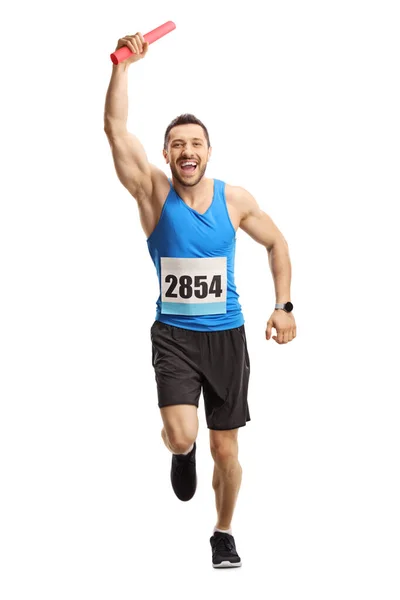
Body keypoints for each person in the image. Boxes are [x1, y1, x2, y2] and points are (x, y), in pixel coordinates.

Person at [104, 32, 297, 569]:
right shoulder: (153, 193)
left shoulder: (235, 201)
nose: (187, 152)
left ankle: (223, 532)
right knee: (182, 435)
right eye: (177, 145)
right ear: (167, 153)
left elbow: (277, 242)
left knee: (228, 451)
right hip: (174, 337)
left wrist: (284, 306)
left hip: (227, 339)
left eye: (196, 143)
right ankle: (179, 451)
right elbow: (115, 130)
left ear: (209, 151)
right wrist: (122, 65)